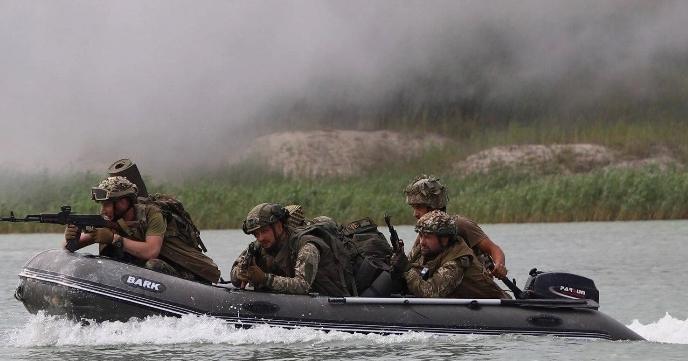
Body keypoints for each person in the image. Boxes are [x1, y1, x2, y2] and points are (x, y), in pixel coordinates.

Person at [63, 176, 220, 283]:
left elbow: (151, 251)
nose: (103, 210)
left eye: (107, 204)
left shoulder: (152, 214)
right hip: (144, 282)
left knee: (153, 265)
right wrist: (72, 238)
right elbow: (68, 248)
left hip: (186, 274)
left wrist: (113, 239)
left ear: (123, 203)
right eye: (101, 205)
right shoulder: (109, 221)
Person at [230, 203, 351, 296]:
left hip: (326, 303)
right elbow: (235, 272)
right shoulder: (258, 246)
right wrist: (240, 273)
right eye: (256, 234)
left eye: (264, 231)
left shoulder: (307, 246)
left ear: (278, 226)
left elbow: (303, 285)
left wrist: (264, 278)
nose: (260, 238)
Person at [404, 175, 508, 278]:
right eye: (413, 208)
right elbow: (411, 261)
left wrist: (499, 266)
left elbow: (494, 249)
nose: (415, 214)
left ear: (433, 206)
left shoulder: (460, 224)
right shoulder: (426, 235)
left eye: (418, 207)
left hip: (474, 285)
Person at [390, 210, 508, 299]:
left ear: (444, 239)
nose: (422, 242)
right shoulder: (427, 250)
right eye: (421, 236)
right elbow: (412, 269)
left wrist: (406, 269)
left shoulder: (458, 260)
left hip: (492, 307)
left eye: (427, 237)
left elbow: (430, 293)